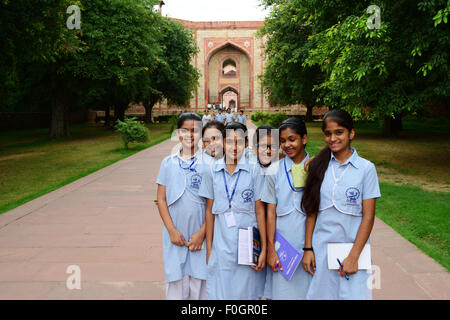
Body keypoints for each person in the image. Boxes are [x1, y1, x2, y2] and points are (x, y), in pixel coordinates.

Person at [301, 109, 381, 300]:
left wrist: (353, 257)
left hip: (353, 251)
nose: (332, 138)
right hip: (321, 251)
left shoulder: (366, 169)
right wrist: (308, 249)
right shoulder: (317, 167)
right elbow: (312, 211)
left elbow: (368, 217)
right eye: (328, 134)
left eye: (339, 132)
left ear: (351, 133)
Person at [199, 122, 266, 300]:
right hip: (221, 247)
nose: (233, 147)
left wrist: (265, 248)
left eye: (238, 142)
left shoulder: (254, 169)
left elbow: (260, 211)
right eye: (229, 142)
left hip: (249, 245)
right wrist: (209, 249)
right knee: (222, 293)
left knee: (248, 293)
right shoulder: (212, 170)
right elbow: (209, 211)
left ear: (246, 143)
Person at [156, 113, 208, 300]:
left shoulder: (209, 164)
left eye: (194, 131)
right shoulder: (168, 163)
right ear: (178, 133)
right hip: (174, 234)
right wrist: (171, 230)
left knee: (199, 284)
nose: (189, 135)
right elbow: (161, 199)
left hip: (199, 235)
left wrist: (202, 233)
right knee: (176, 283)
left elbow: (213, 205)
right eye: (184, 130)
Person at [262, 118, 313, 300]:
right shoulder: (274, 170)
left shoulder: (316, 168)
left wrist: (310, 248)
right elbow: (270, 213)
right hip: (282, 246)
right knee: (283, 293)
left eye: (292, 139)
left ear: (304, 138)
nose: (287, 145)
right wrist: (271, 249)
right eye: (283, 141)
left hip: (310, 244)